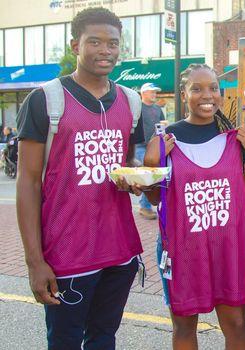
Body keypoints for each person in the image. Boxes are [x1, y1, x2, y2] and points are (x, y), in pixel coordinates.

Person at [16, 8, 144, 349]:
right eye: (95, 42)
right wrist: (34, 261)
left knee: (104, 338)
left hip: (119, 251)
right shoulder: (46, 99)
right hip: (67, 252)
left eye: (113, 43)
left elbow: (125, 163)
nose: (106, 50)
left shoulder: (131, 103)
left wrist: (135, 180)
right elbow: (27, 182)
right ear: (76, 45)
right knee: (65, 342)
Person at [144, 64, 245, 350]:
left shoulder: (235, 137)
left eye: (213, 88)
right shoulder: (166, 139)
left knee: (235, 324)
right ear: (184, 94)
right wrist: (151, 165)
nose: (206, 95)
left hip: (227, 246)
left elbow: (244, 192)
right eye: (197, 88)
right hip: (183, 248)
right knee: (184, 326)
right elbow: (158, 199)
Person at [136, 82, 165, 220]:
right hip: (139, 146)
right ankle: (144, 206)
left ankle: (147, 205)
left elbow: (162, 126)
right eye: (151, 92)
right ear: (143, 93)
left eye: (155, 92)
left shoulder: (158, 109)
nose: (154, 94)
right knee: (148, 174)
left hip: (154, 146)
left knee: (154, 174)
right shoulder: (137, 108)